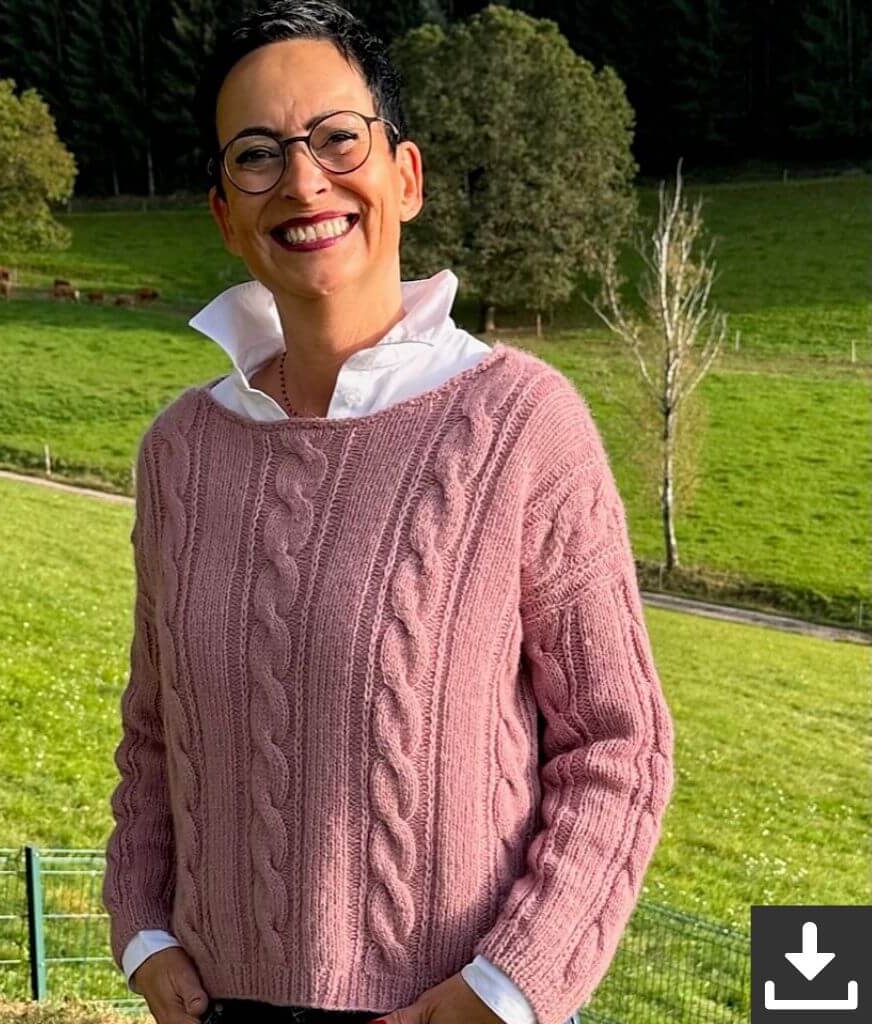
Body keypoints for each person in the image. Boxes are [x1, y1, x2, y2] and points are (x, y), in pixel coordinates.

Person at [101, 3, 676, 1024]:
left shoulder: (520, 424)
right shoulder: (180, 452)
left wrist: (509, 987)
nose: (302, 181)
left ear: (404, 176)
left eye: (336, 138)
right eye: (257, 155)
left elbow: (618, 745)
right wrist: (141, 929)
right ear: (226, 214)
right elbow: (156, 730)